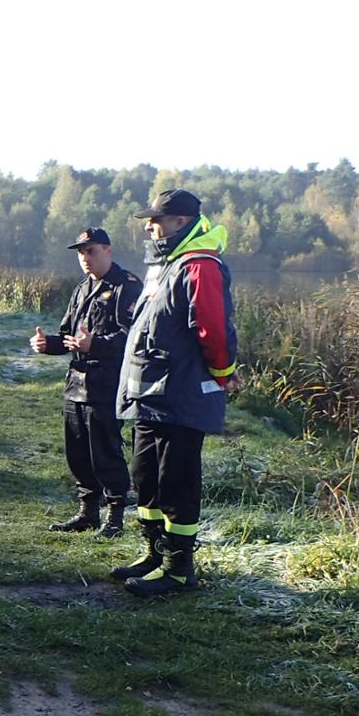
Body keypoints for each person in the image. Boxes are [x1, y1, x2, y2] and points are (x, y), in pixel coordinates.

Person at [113, 189, 239, 597]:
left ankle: (179, 569)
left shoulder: (200, 265)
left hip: (181, 395)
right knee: (146, 476)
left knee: (177, 480)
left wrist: (224, 372)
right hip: (151, 397)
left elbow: (212, 330)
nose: (150, 227)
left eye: (157, 221)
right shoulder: (166, 264)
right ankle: (152, 553)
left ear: (180, 222)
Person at [30, 227, 143, 537]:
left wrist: (96, 345)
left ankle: (115, 517)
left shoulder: (127, 286)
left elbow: (132, 338)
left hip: (105, 385)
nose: (85, 257)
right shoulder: (81, 289)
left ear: (108, 250)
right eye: (81, 252)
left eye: (91, 250)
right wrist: (47, 344)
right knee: (77, 453)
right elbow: (70, 336)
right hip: (76, 384)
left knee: (105, 452)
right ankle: (87, 513)